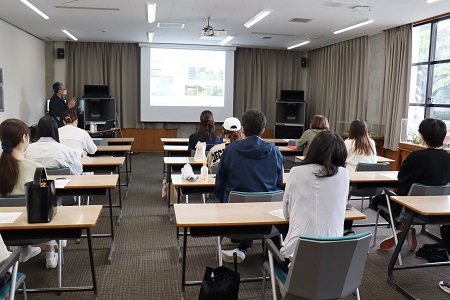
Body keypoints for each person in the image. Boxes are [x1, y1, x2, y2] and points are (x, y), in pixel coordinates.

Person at [215, 109, 284, 263]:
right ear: (263, 130)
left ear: (243, 130)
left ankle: (243, 247)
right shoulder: (274, 152)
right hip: (268, 220)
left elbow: (219, 185)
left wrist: (224, 203)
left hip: (234, 220)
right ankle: (274, 254)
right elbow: (278, 185)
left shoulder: (230, 151)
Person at [372, 118, 450, 251]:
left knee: (377, 200)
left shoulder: (416, 156)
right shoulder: (448, 158)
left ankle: (403, 228)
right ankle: (406, 229)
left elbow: (401, 178)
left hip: (409, 209)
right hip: (438, 210)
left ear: (422, 137)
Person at [278, 130, 349, 272]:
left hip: (298, 257)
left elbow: (286, 214)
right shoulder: (344, 175)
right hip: (333, 255)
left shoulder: (296, 172)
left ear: (314, 149)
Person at [0, 118, 58, 269]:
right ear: (25, 138)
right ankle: (50, 254)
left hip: (3, 234)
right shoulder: (37, 169)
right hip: (34, 228)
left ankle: (25, 251)